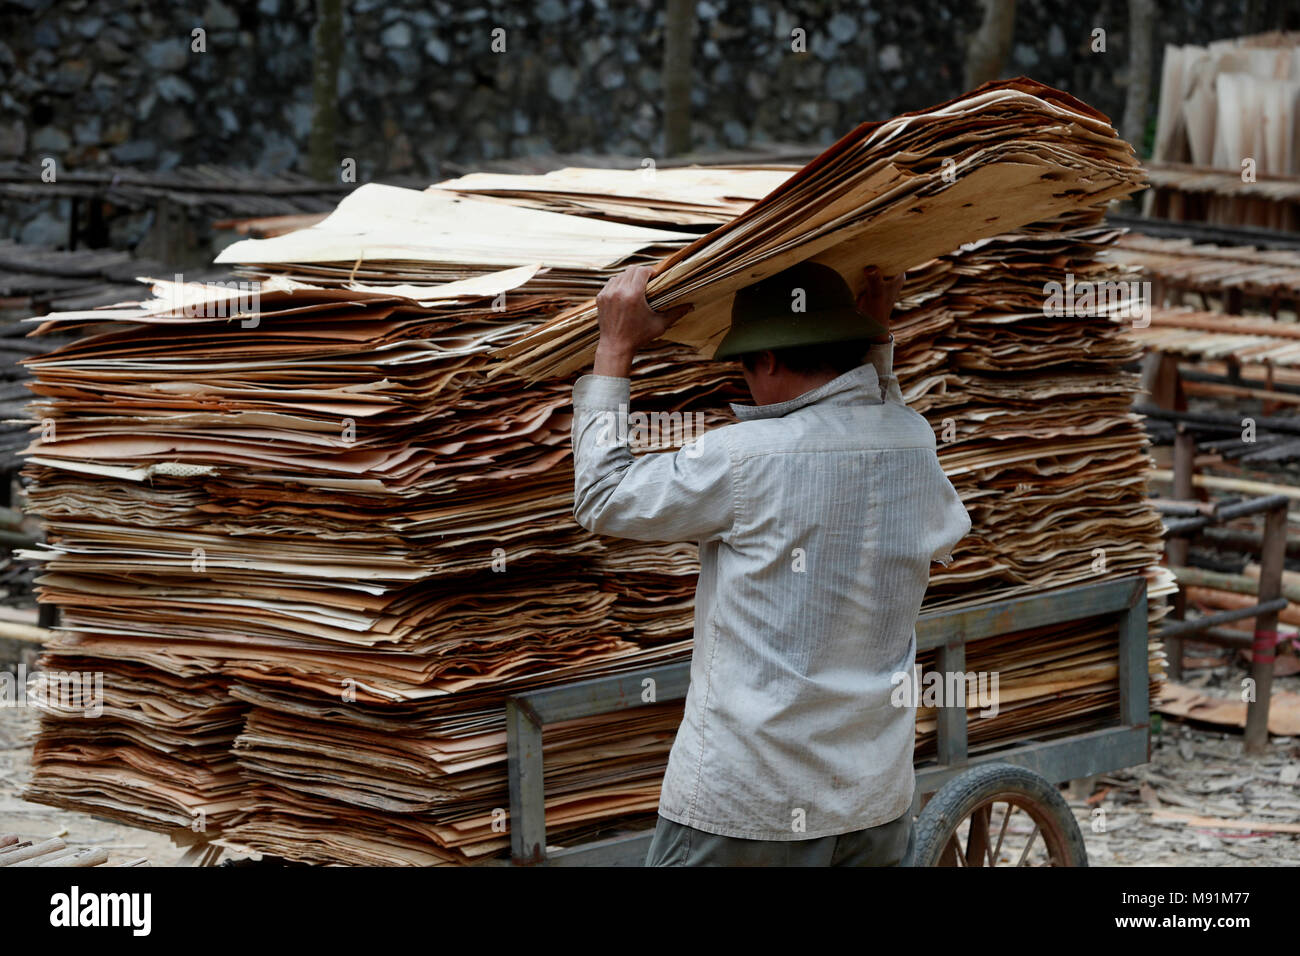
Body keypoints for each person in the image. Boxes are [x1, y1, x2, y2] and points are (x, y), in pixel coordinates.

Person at [570, 259, 971, 866]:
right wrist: (877, 329)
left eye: (744, 368)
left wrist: (614, 346)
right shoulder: (912, 441)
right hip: (871, 800)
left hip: (749, 804)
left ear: (767, 360)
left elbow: (602, 497)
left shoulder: (743, 457)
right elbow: (878, 418)